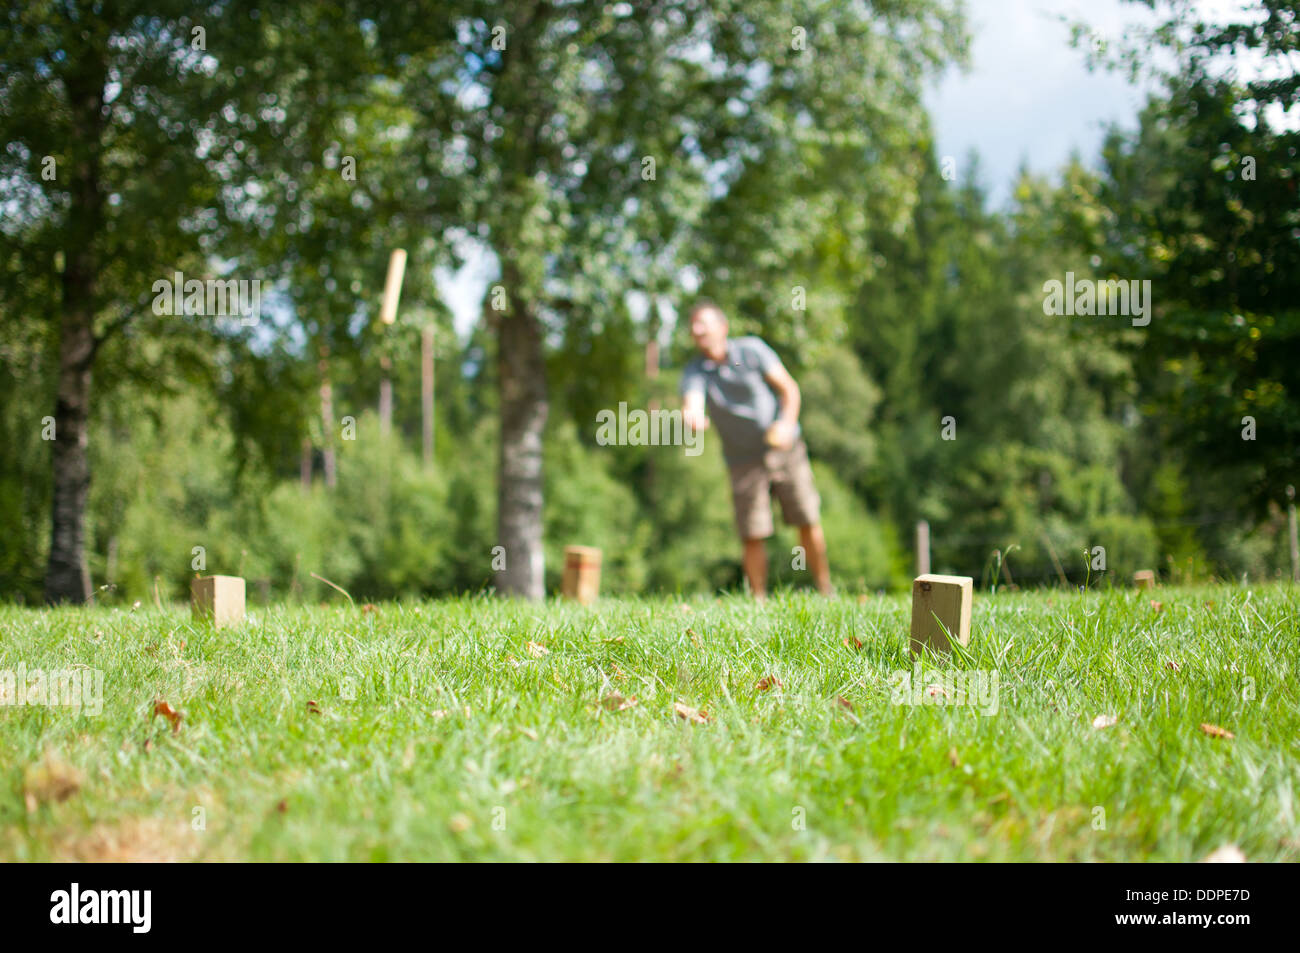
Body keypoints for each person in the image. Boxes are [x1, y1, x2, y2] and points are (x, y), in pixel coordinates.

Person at [679, 300, 831, 599]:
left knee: (807, 518)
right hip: (742, 461)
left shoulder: (751, 350)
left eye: (703, 324)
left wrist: (786, 424)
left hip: (785, 450)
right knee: (752, 532)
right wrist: (692, 416)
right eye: (693, 326)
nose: (697, 331)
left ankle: (826, 591)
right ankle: (757, 601)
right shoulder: (696, 370)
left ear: (723, 328)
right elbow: (692, 401)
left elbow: (789, 389)